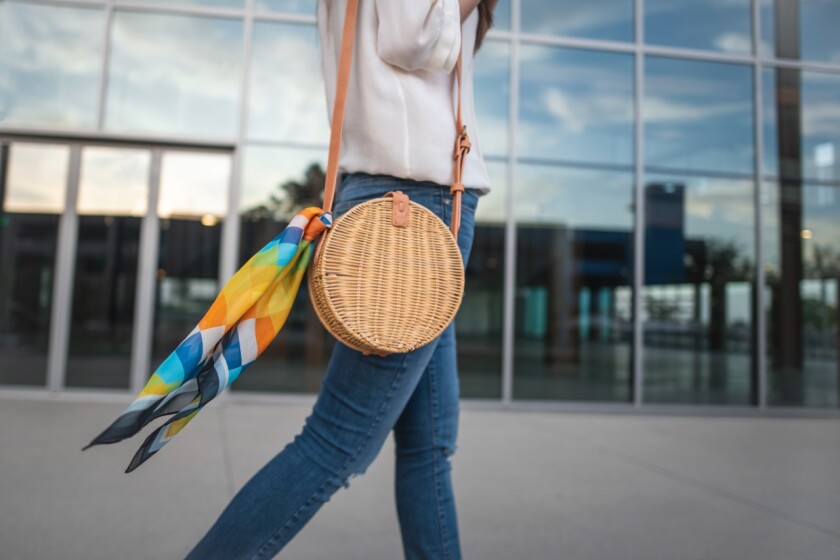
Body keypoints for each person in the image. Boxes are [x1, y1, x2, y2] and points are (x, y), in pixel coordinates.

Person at [185, 1, 496, 558]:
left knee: (428, 447)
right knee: (334, 442)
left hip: (408, 204)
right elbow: (412, 36)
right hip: (412, 209)